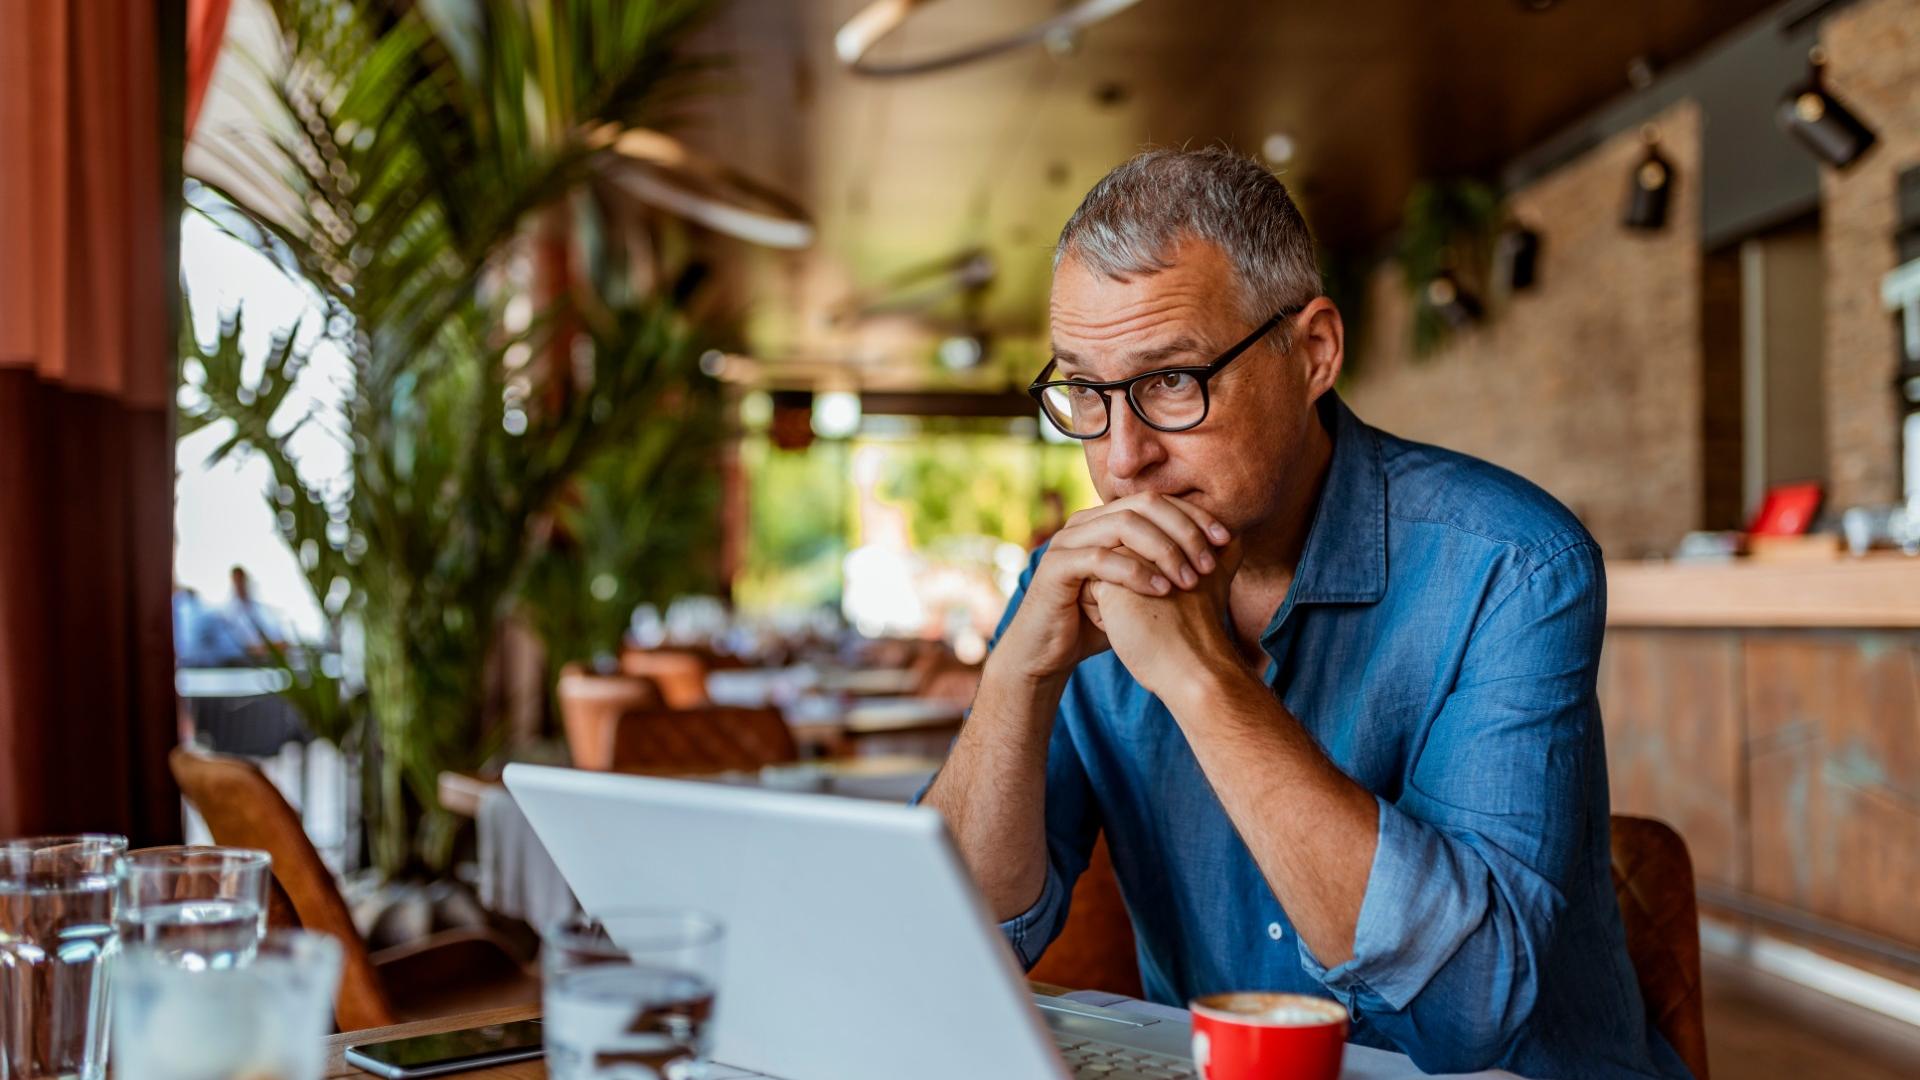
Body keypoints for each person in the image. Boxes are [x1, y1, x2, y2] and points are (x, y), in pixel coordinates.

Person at [920, 148, 1688, 1078]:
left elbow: (1469, 1008)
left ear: (1313, 352)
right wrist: (1016, 677)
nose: (1121, 460)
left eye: (1171, 381)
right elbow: (954, 948)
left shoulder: (1513, 564)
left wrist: (1201, 681)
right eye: (1085, 390)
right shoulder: (1072, 586)